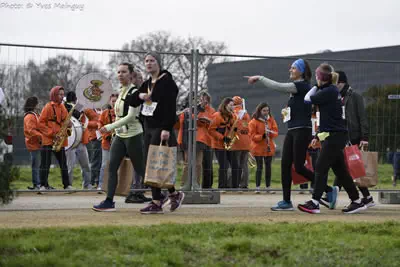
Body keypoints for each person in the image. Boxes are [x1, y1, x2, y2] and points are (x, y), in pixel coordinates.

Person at [246, 59, 336, 211]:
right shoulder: (296, 90)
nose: (290, 70)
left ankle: (328, 190)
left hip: (302, 130)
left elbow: (278, 86)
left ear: (301, 71)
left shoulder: (301, 86)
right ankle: (286, 201)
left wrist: (260, 78)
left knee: (299, 167)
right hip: (292, 130)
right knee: (285, 165)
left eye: (293, 68)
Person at [298, 63, 367, 214]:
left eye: (317, 76)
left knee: (321, 168)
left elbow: (307, 99)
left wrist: (316, 86)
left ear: (321, 78)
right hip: (336, 135)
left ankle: (315, 202)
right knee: (341, 172)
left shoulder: (328, 91)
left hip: (334, 136)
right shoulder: (330, 90)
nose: (316, 79)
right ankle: (356, 201)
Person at [92, 63, 147, 212]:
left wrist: (109, 127)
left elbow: (130, 117)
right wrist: (115, 130)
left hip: (134, 135)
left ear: (131, 75)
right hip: (120, 135)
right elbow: (118, 115)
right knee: (112, 167)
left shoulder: (134, 92)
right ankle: (109, 201)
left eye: (124, 72)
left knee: (141, 169)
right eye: (118, 72)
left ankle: (163, 195)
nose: (120, 74)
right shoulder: (121, 91)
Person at [137, 52, 185, 214]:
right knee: (150, 163)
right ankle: (173, 194)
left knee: (155, 163)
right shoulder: (147, 83)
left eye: (152, 61)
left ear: (158, 63)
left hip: (160, 127)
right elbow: (134, 100)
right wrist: (140, 94)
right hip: (148, 126)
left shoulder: (167, 82)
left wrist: (166, 128)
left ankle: (157, 201)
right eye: (146, 61)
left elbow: (170, 107)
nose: (149, 63)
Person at [333, 70, 375, 207]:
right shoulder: (336, 97)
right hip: (342, 136)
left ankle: (332, 193)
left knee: (347, 167)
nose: (335, 85)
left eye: (337, 82)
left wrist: (365, 136)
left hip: (354, 137)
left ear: (342, 82)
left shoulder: (355, 96)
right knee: (348, 168)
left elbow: (362, 117)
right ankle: (367, 197)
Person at [38, 86, 74, 191]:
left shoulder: (62, 107)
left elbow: (65, 121)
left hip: (59, 140)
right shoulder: (48, 107)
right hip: (48, 140)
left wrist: (69, 124)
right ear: (54, 95)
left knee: (63, 164)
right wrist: (51, 133)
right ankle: (43, 185)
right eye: (60, 94)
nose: (62, 96)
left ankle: (67, 185)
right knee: (45, 163)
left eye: (63, 94)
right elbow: (40, 123)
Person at [209, 97, 240, 189]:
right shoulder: (217, 115)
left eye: (233, 105)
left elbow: (234, 129)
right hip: (219, 144)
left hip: (229, 144)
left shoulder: (233, 116)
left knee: (235, 165)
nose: (233, 107)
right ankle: (222, 186)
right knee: (223, 166)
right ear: (225, 105)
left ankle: (235, 187)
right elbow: (211, 130)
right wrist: (222, 138)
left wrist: (234, 132)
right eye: (231, 105)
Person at [64, 91, 92, 189]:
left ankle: (87, 184)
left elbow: (87, 120)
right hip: (70, 141)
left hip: (81, 140)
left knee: (85, 164)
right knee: (70, 166)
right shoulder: (65, 107)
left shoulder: (81, 108)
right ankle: (69, 185)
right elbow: (72, 116)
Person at [249, 102, 278, 193]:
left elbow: (276, 131)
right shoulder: (253, 121)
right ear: (260, 111)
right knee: (259, 167)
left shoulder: (271, 120)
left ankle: (268, 187)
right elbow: (252, 136)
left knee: (268, 167)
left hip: (269, 147)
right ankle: (257, 187)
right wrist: (262, 136)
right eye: (264, 111)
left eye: (267, 110)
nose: (266, 112)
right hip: (258, 147)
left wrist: (270, 133)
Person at [97, 93, 118, 191]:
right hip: (107, 143)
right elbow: (100, 127)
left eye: (116, 101)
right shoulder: (104, 113)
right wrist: (107, 136)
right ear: (110, 102)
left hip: (119, 143)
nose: (114, 103)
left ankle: (117, 186)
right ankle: (101, 185)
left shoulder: (121, 113)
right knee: (104, 164)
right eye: (113, 101)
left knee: (119, 165)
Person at [231, 96, 251, 190]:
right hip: (246, 141)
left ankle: (234, 183)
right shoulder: (246, 114)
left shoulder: (233, 113)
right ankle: (244, 184)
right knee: (244, 164)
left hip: (236, 141)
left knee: (235, 164)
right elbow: (248, 127)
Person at [23, 96, 42, 190]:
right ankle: (37, 184)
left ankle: (40, 184)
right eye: (37, 103)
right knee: (36, 165)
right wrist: (43, 136)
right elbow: (31, 130)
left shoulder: (35, 115)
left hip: (37, 143)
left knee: (38, 165)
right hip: (34, 144)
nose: (39, 105)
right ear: (34, 105)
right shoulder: (30, 116)